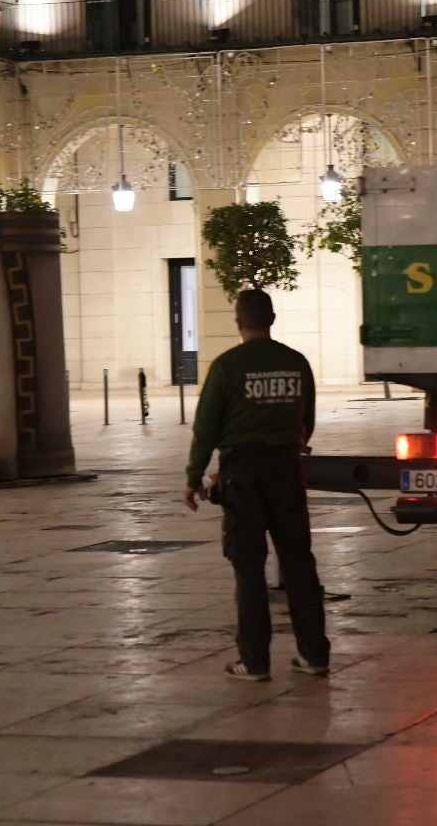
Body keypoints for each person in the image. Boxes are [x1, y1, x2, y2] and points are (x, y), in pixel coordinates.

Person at [184, 288, 331, 681]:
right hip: (287, 471)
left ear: (238, 322)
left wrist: (194, 476)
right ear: (272, 319)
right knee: (299, 563)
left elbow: (205, 428)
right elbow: (307, 419)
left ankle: (254, 661)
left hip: (243, 475)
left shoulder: (226, 367)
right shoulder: (296, 363)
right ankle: (315, 654)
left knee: (249, 569)